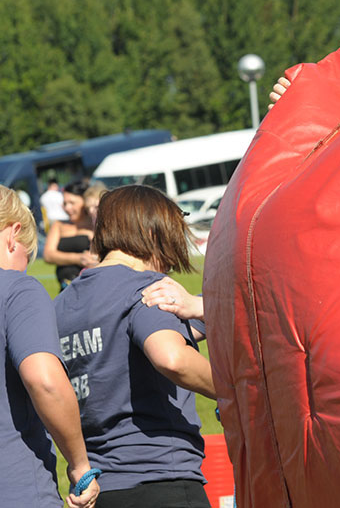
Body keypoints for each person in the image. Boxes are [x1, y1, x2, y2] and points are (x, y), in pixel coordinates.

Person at [54, 185, 216, 508]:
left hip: (100, 487)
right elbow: (171, 357)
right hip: (162, 480)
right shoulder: (145, 288)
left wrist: (204, 307)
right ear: (151, 232)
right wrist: (237, 390)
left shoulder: (61, 305)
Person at [0, 185, 100, 508]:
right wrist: (79, 463)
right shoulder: (18, 290)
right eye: (26, 255)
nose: (25, 266)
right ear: (13, 234)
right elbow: (45, 381)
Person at [43, 180, 97, 290]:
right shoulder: (59, 225)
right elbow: (48, 255)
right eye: (65, 203)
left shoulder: (95, 225)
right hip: (65, 288)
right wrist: (78, 258)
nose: (67, 208)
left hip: (91, 287)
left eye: (72, 203)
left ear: (85, 202)